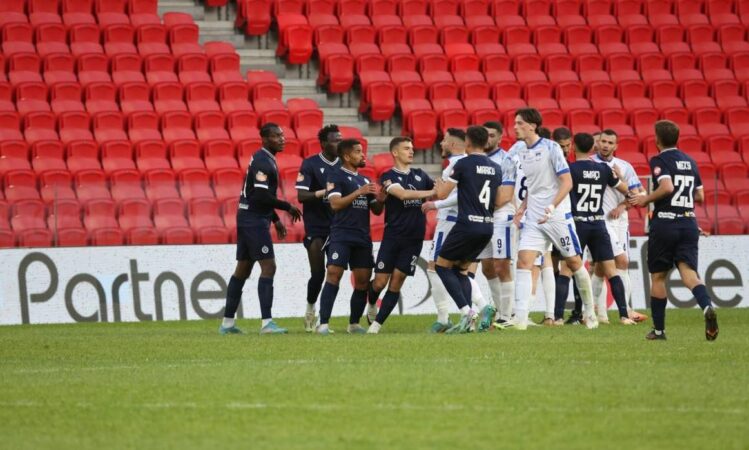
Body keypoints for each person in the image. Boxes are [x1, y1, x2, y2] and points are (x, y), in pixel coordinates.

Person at [503, 108, 598, 331]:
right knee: (524, 261)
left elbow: (567, 182)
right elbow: (534, 184)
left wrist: (552, 206)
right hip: (534, 216)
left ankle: (590, 312)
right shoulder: (517, 149)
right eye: (515, 123)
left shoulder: (551, 147)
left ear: (532, 126)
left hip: (557, 216)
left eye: (519, 123)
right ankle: (520, 319)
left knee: (574, 263)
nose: (515, 127)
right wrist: (523, 207)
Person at [628, 120, 718, 341]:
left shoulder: (659, 160)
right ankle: (707, 306)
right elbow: (700, 196)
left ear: (657, 140)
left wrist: (645, 199)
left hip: (665, 223)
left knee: (658, 277)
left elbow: (667, 187)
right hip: (688, 222)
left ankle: (659, 331)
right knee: (690, 275)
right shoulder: (690, 161)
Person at [219, 123, 302, 335]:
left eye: (282, 135)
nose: (282, 139)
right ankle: (267, 323)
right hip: (253, 221)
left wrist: (275, 219)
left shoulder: (265, 158)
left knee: (243, 269)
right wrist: (287, 206)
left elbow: (259, 196)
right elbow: (261, 196)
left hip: (251, 217)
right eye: (276, 136)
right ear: (264, 139)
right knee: (269, 266)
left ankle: (227, 324)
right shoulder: (263, 161)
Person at [555, 133, 636, 325]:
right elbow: (628, 191)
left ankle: (557, 317)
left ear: (574, 147)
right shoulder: (604, 169)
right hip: (598, 224)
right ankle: (624, 315)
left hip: (578, 224)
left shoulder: (570, 169)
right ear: (593, 147)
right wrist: (629, 196)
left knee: (566, 269)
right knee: (611, 271)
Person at [434, 126, 506, 334]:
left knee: (441, 266)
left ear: (467, 142)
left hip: (466, 225)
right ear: (485, 142)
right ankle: (474, 316)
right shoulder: (496, 167)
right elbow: (499, 200)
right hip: (487, 226)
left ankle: (467, 312)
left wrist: (439, 186)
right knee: (461, 271)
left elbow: (443, 194)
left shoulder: (463, 164)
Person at [367, 137, 436, 334]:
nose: (411, 151)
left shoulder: (420, 175)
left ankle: (376, 326)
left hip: (414, 239)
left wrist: (441, 189)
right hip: (393, 237)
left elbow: (439, 193)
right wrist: (431, 191)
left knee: (397, 280)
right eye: (406, 148)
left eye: (412, 148)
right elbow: (403, 194)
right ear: (395, 153)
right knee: (379, 282)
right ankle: (371, 303)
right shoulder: (388, 176)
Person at [317, 139, 385, 335]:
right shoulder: (335, 176)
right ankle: (323, 324)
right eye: (358, 152)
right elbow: (335, 204)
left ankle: (354, 324)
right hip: (342, 234)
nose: (363, 155)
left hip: (362, 237)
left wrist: (382, 199)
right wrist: (359, 192)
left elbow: (376, 210)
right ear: (346, 156)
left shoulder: (365, 180)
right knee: (333, 274)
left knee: (362, 281)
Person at [592, 129, 648, 323]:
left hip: (620, 221)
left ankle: (599, 313)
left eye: (610, 143)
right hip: (600, 220)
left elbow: (640, 194)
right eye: (603, 141)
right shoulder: (591, 164)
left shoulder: (624, 166)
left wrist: (622, 206)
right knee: (620, 261)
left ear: (616, 146)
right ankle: (625, 311)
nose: (606, 145)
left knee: (602, 267)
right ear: (597, 143)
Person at [296, 125, 342, 332]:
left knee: (334, 273)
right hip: (315, 227)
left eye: (340, 140)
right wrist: (325, 192)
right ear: (324, 143)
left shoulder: (344, 165)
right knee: (318, 274)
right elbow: (301, 196)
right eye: (335, 140)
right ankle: (310, 309)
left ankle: (324, 321)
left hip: (338, 227)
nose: (339, 143)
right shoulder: (311, 164)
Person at [421, 128, 467, 332]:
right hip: (462, 221)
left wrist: (436, 203)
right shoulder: (465, 163)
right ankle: (480, 308)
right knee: (458, 270)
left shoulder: (456, 165)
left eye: (445, 140)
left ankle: (444, 318)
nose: (441, 143)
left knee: (433, 267)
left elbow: (449, 196)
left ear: (453, 144)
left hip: (449, 220)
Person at [475, 121, 514, 330]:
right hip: (484, 217)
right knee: (487, 267)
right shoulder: (475, 159)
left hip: (500, 216)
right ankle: (500, 310)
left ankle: (507, 315)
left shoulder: (506, 160)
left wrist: (484, 208)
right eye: (485, 135)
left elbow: (506, 195)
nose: (488, 139)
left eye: (492, 135)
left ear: (500, 138)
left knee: (501, 265)